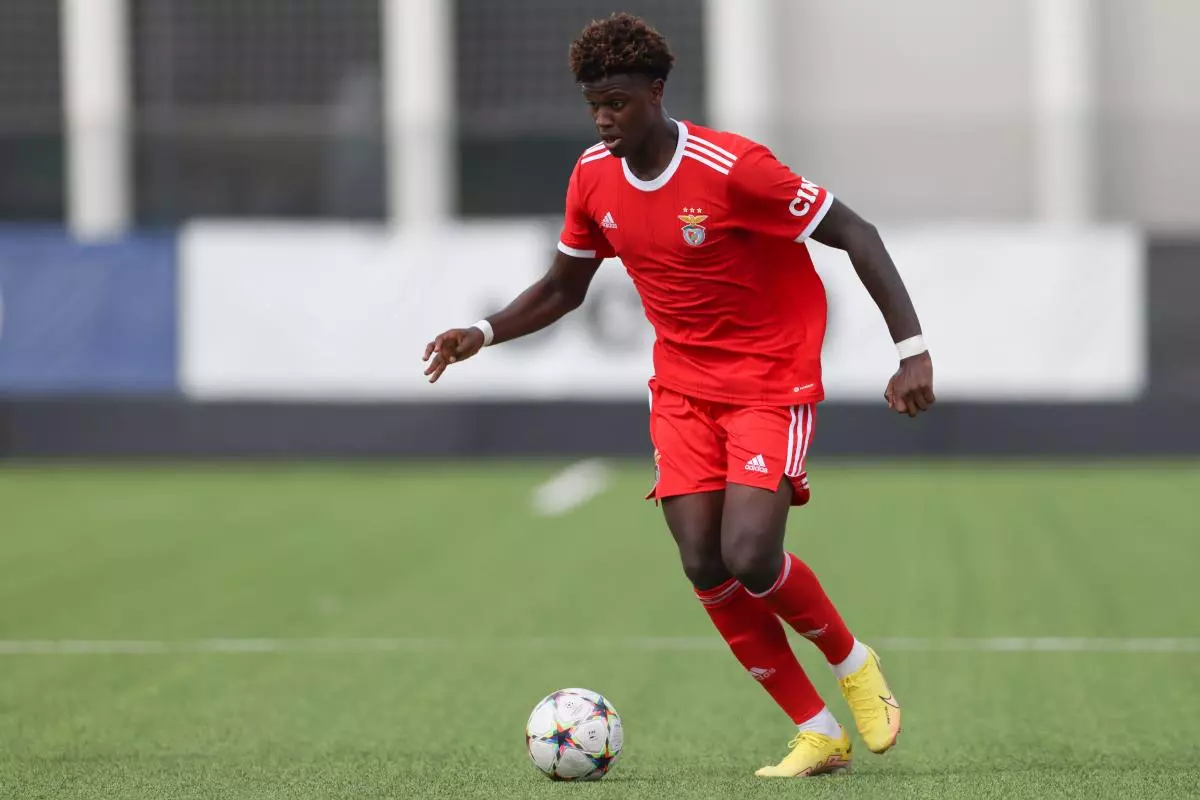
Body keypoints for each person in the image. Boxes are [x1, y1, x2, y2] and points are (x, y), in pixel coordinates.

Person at [423, 12, 935, 778]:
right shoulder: (593, 175)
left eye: (619, 101)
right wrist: (482, 332)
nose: (605, 117)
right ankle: (817, 730)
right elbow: (566, 287)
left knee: (751, 552)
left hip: (769, 377)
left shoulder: (733, 169)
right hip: (684, 391)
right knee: (703, 559)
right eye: (594, 102)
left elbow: (856, 232)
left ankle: (855, 664)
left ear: (657, 91)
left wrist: (912, 353)